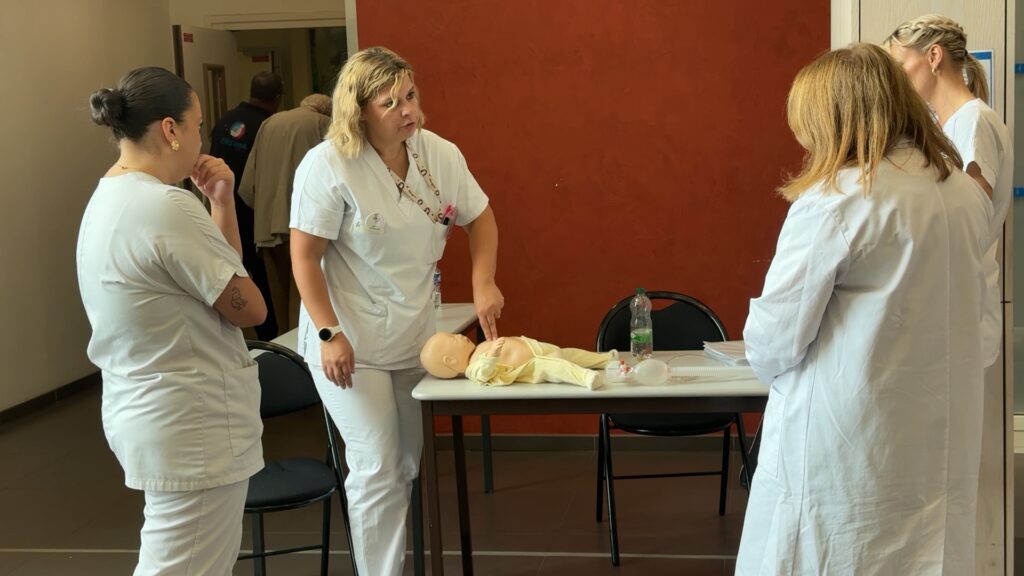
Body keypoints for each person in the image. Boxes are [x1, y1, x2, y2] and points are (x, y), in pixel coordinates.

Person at [736, 44, 993, 575]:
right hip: (935, 445)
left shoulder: (838, 199)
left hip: (848, 451)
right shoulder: (965, 195)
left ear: (835, 118)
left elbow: (772, 344)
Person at [289, 46, 504, 575]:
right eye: (391, 103)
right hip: (348, 344)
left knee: (407, 462)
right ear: (360, 110)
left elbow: (481, 219)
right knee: (377, 466)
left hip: (412, 335)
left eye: (411, 96)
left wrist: (483, 283)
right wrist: (327, 332)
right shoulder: (329, 164)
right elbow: (304, 255)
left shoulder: (439, 154)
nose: (408, 110)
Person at [79, 67, 267, 575]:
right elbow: (250, 307)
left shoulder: (108, 199)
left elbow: (220, 276)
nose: (202, 140)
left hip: (151, 413)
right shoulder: (166, 207)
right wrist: (207, 207)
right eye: (198, 125)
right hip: (192, 422)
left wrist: (221, 203)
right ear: (170, 130)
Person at [886, 14, 1012, 370]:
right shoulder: (950, 125)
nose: (898, 78)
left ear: (934, 56)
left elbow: (968, 217)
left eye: (900, 64)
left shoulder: (973, 120)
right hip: (947, 299)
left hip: (961, 302)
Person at [239, 93, 332, 333]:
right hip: (306, 226)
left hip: (267, 227)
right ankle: (302, 363)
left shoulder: (269, 123)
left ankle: (286, 359)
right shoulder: (322, 124)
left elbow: (247, 187)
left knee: (280, 308)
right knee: (304, 309)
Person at [209, 71, 284, 339]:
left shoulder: (226, 120)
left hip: (221, 213)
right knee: (263, 277)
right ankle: (270, 335)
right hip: (252, 214)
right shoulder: (269, 127)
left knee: (229, 272)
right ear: (277, 98)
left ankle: (243, 332)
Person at [420, 332, 615, 389]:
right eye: (453, 339)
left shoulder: (477, 348)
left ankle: (604, 359)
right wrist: (492, 355)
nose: (460, 336)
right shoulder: (473, 368)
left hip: (536, 348)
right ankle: (586, 378)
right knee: (559, 367)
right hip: (532, 366)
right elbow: (483, 374)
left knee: (570, 354)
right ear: (451, 361)